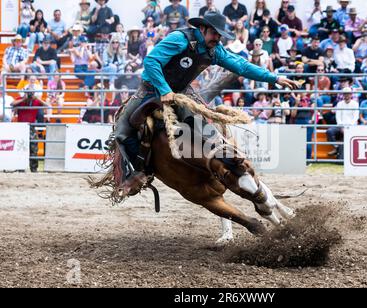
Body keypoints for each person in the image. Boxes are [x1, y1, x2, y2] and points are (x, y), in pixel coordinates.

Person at [114, 11, 299, 193]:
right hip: (150, 89)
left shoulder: (215, 51)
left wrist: (273, 78)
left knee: (200, 125)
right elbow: (151, 61)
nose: (217, 38)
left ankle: (226, 161)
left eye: (220, 35)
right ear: (202, 28)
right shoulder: (180, 39)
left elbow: (241, 66)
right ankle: (138, 171)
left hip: (182, 91)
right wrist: (164, 89)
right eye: (214, 33)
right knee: (122, 130)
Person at [327, 87, 359, 157]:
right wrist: (341, 126)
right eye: (345, 94)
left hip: (351, 127)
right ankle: (336, 147)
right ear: (343, 95)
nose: (346, 95)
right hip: (341, 126)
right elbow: (338, 117)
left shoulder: (355, 104)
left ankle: (339, 152)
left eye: (348, 94)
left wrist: (347, 127)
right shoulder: (339, 104)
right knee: (329, 131)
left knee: (345, 136)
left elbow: (355, 117)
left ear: (351, 95)